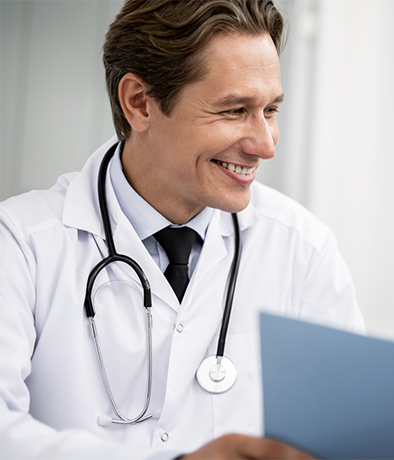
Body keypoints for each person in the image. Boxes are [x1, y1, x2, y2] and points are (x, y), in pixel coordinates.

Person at [0, 1, 364, 459]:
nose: (265, 145)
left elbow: (346, 435)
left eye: (270, 109)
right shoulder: (19, 244)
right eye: (234, 110)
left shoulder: (302, 250)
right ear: (139, 102)